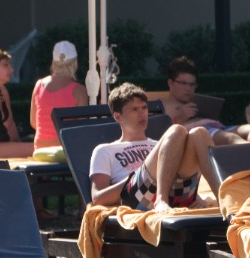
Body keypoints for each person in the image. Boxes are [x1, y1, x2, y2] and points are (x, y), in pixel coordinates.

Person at [90, 83, 218, 214]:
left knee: (199, 133)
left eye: (144, 108)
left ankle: (222, 197)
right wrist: (133, 177)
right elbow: (97, 198)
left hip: (177, 193)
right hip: (137, 198)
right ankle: (161, 199)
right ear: (118, 117)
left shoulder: (163, 144)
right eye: (134, 109)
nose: (142, 113)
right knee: (177, 130)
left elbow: (182, 172)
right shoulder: (105, 150)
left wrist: (197, 197)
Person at [160, 56, 250, 145]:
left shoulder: (197, 101)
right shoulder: (161, 105)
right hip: (200, 133)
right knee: (231, 138)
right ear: (170, 83)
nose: (188, 88)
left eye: (192, 84)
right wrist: (180, 117)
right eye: (183, 83)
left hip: (218, 128)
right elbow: (159, 137)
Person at [30, 40, 89, 150]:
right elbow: (82, 127)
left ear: (54, 61)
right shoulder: (79, 90)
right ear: (75, 63)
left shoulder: (38, 85)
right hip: (65, 149)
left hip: (39, 149)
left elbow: (34, 122)